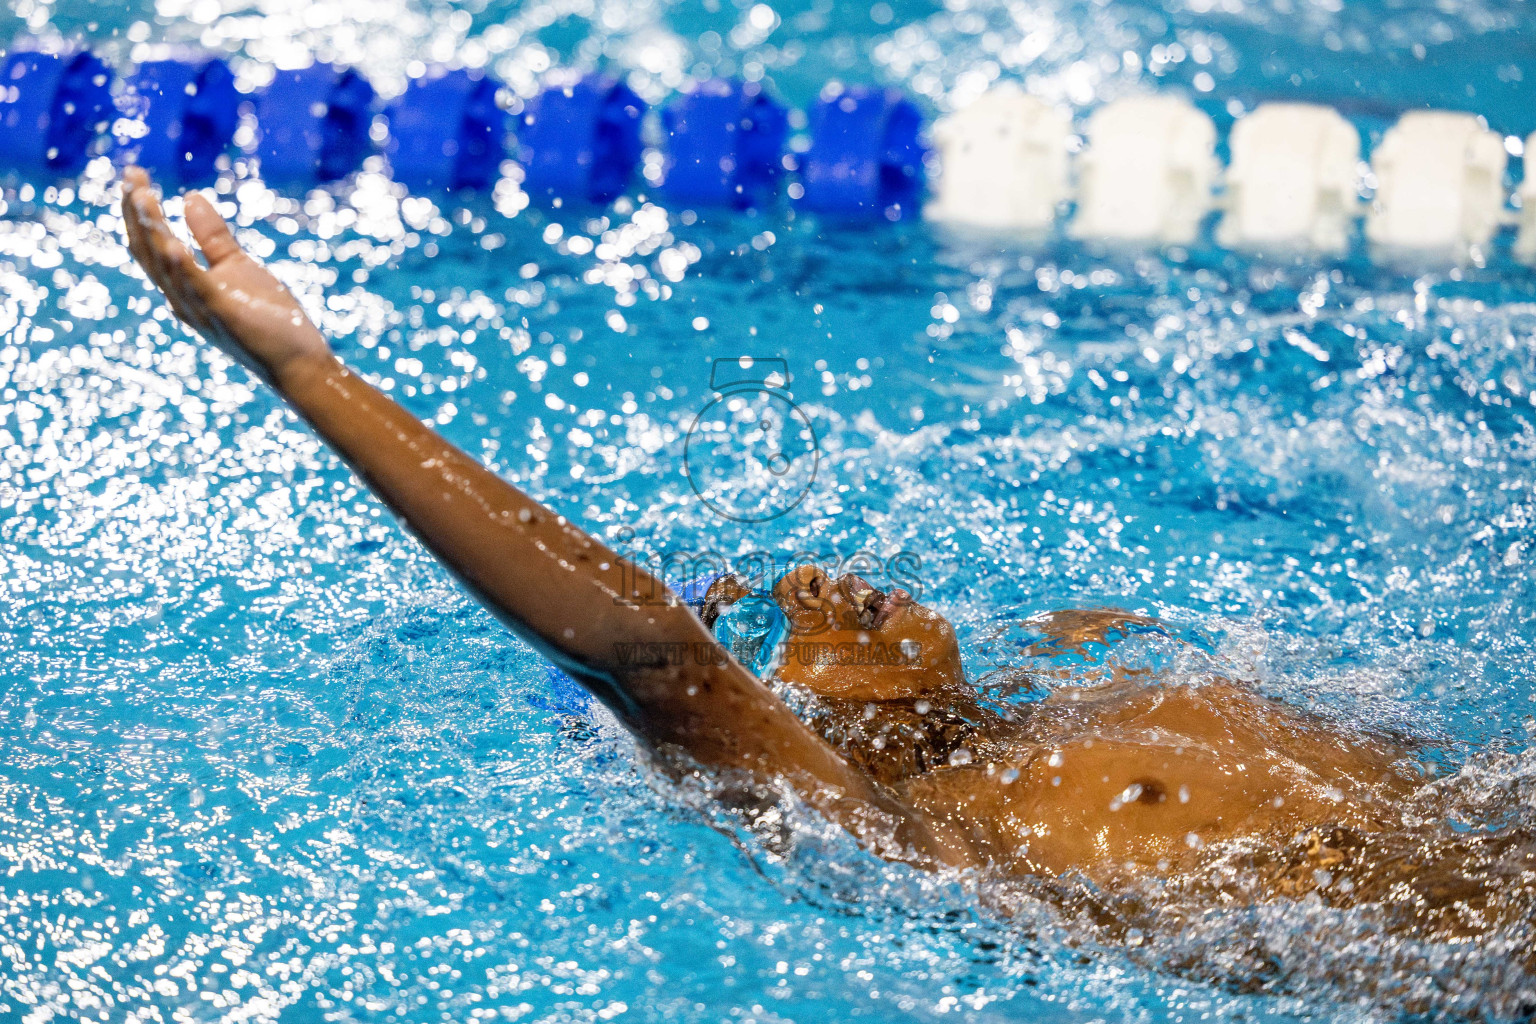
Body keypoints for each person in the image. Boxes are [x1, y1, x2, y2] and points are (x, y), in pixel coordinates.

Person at [119, 168, 1532, 948]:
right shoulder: (895, 831)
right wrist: (309, 373)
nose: (826, 587)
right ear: (793, 717)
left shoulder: (1100, 675)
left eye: (812, 591)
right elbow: (645, 651)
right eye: (790, 633)